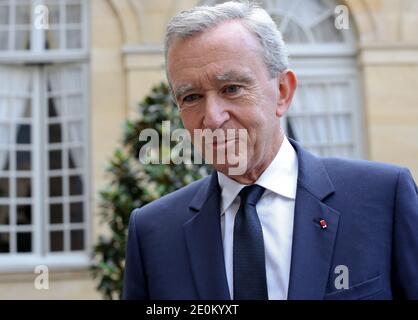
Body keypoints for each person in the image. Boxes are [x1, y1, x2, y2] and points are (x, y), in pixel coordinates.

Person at [123, 1, 418, 300]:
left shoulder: (382, 199)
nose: (212, 117)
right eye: (191, 96)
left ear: (283, 92)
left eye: (232, 89)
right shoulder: (153, 233)